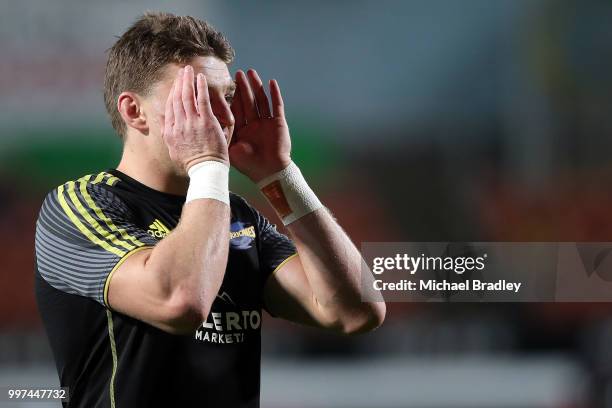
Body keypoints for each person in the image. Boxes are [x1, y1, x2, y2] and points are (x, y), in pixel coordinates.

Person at [34, 11, 385, 407]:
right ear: (134, 111)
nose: (225, 118)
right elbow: (180, 302)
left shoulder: (237, 217)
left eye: (228, 98)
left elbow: (356, 312)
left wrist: (281, 175)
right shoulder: (80, 206)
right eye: (197, 99)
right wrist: (207, 164)